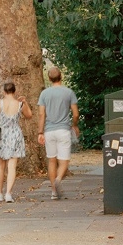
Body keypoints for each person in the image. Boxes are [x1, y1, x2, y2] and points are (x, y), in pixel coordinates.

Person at [36, 66, 79, 200]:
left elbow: (42, 114)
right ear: (61, 77)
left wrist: (40, 132)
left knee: (52, 160)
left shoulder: (44, 94)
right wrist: (74, 125)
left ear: (49, 78)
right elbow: (76, 113)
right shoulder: (69, 92)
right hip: (63, 130)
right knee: (64, 160)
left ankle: (54, 192)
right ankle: (59, 179)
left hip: (49, 131)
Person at [0, 81, 32, 203]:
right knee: (12, 166)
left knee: (0, 165)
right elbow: (29, 115)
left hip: (2, 135)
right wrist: (25, 102)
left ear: (3, 91)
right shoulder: (19, 104)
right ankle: (8, 194)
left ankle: (0, 193)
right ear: (14, 91)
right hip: (15, 134)